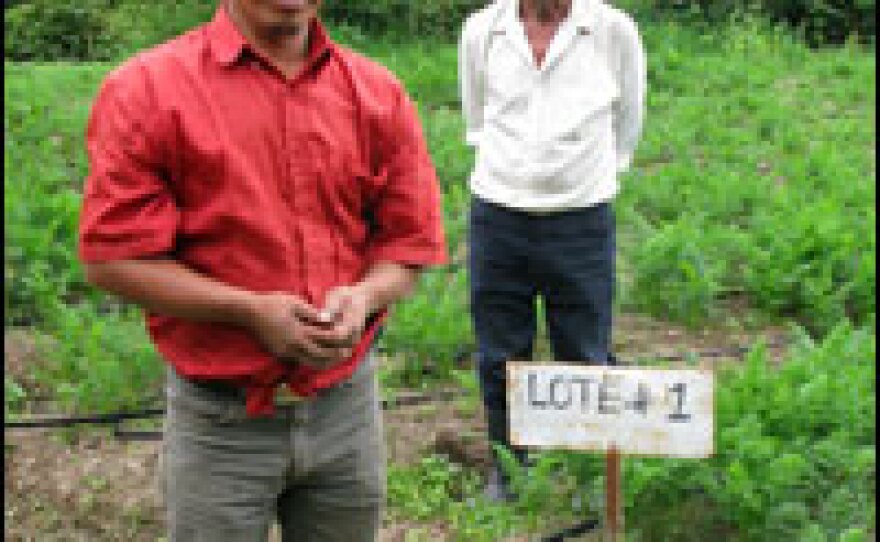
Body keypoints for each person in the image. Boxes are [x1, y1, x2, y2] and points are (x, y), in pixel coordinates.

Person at [78, 0, 448, 539]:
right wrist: (247, 311)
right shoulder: (147, 90)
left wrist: (366, 296)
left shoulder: (376, 92)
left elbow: (408, 244)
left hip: (346, 412)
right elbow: (114, 258)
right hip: (219, 423)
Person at [458, 0, 646, 501]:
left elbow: (628, 120)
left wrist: (588, 180)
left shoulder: (613, 31)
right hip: (498, 214)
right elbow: (477, 118)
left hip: (582, 218)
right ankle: (508, 469)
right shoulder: (483, 30)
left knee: (584, 350)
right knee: (500, 349)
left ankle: (583, 472)